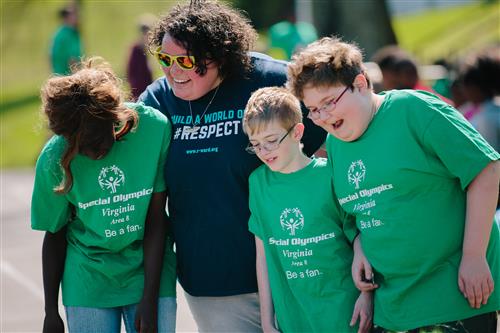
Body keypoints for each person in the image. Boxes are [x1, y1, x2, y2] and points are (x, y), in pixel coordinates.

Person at [287, 36, 500, 332]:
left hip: (455, 298)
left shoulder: (413, 108)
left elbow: (486, 169)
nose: (322, 117)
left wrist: (474, 256)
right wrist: (361, 252)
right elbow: (356, 214)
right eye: (313, 109)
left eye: (328, 102)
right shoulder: (335, 145)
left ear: (360, 84)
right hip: (394, 310)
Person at [138, 1, 325, 331]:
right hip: (214, 283)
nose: (172, 70)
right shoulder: (157, 102)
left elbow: (327, 151)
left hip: (296, 268)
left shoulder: (272, 79)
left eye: (185, 61)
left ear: (220, 56)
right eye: (164, 59)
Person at [32, 57, 177, 333]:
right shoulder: (54, 158)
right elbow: (55, 234)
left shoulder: (153, 129)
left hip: (148, 271)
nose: (91, 153)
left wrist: (149, 299)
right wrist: (51, 311)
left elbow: (156, 219)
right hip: (88, 277)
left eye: (96, 141)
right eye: (80, 147)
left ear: (113, 120)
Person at [243, 86, 373, 333]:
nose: (263, 152)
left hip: (344, 312)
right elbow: (264, 257)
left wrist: (366, 296)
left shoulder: (330, 174)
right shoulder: (258, 182)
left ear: (297, 132)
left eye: (271, 141)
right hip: (293, 316)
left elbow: (360, 236)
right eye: (255, 144)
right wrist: (267, 321)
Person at [371, 45, 453, 105]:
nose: (381, 79)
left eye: (382, 74)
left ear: (389, 75)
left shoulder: (397, 103)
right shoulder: (428, 94)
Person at [458, 49, 500, 152]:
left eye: (465, 86)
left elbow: (490, 153)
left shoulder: (488, 117)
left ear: (476, 87)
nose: (463, 91)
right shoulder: (473, 108)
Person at [126, 14, 155, 101]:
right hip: (138, 94)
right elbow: (131, 73)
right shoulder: (136, 50)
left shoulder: (146, 49)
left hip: (146, 91)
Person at [49, 4, 83, 75]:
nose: (77, 17)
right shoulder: (67, 34)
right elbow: (72, 59)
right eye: (74, 15)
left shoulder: (65, 33)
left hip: (61, 76)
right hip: (68, 76)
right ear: (66, 18)